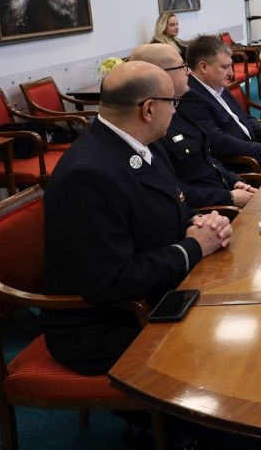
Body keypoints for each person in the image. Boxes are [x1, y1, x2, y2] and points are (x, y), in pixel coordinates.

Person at [41, 61, 232, 376]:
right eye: (173, 102)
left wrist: (201, 222)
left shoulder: (140, 144)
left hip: (158, 292)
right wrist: (196, 246)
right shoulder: (89, 175)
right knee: (229, 352)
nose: (176, 110)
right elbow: (112, 282)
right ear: (149, 109)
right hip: (109, 323)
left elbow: (173, 203)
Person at [129, 44, 258, 209]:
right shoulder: (152, 125)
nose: (189, 71)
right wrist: (229, 197)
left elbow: (206, 158)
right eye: (182, 67)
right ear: (159, 75)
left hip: (225, 192)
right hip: (213, 209)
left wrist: (234, 181)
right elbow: (174, 189)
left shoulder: (179, 106)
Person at [179, 35, 261, 172]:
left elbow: (245, 118)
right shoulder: (191, 97)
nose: (231, 73)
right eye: (225, 67)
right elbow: (217, 142)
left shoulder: (217, 84)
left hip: (255, 153)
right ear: (203, 67)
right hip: (243, 166)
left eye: (231, 66)